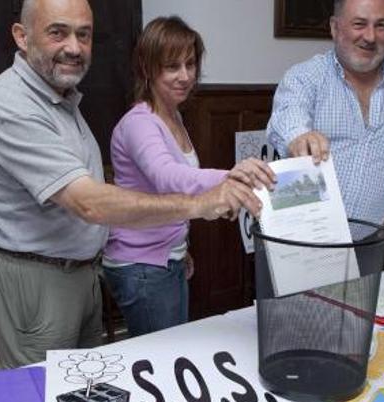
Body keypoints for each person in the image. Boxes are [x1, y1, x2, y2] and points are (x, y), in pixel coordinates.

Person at [0, 0, 272, 368]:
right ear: (21, 36)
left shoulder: (60, 100)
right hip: (37, 280)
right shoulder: (10, 105)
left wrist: (179, 238)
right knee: (41, 400)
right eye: (57, 32)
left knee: (86, 389)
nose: (74, 47)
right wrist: (209, 197)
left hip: (79, 273)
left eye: (84, 34)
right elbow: (90, 203)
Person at [102, 17, 275, 337]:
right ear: (147, 67)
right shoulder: (140, 123)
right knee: (162, 359)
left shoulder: (173, 114)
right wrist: (231, 175)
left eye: (191, 64)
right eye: (172, 66)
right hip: (142, 266)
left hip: (166, 258)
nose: (185, 76)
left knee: (169, 350)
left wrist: (181, 249)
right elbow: (168, 177)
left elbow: (171, 195)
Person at [267, 0, 384, 233]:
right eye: (359, 24)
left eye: (381, 25)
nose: (370, 37)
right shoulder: (304, 78)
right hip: (298, 240)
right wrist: (299, 136)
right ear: (335, 27)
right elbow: (288, 115)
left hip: (371, 243)